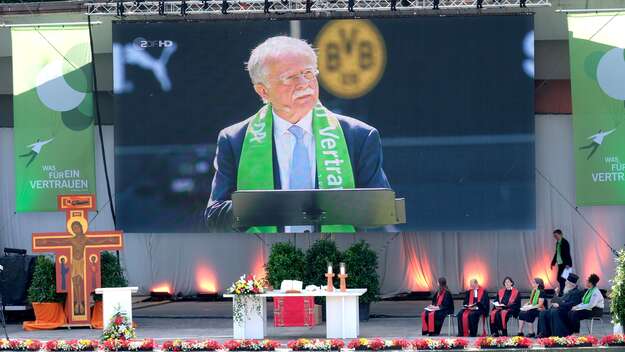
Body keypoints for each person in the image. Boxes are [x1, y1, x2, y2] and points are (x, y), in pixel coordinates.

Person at [205, 36, 390, 233]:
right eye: (290, 77)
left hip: (336, 259)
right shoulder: (235, 140)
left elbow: (381, 212)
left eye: (308, 73)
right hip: (262, 259)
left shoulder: (359, 136)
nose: (304, 84)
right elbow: (215, 218)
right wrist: (270, 206)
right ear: (263, 91)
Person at [537, 273, 583, 337]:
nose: (565, 284)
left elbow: (572, 303)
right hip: (559, 308)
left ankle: (557, 334)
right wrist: (556, 294)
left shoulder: (577, 292)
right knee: (543, 312)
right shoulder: (566, 291)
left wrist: (559, 305)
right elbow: (557, 300)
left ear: (570, 284)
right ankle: (543, 333)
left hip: (567, 311)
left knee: (554, 312)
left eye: (566, 283)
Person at [550, 229, 572, 297]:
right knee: (559, 279)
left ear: (561, 234)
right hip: (560, 264)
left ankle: (562, 293)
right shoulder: (557, 243)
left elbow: (567, 254)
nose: (555, 237)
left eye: (556, 235)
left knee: (563, 279)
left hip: (566, 264)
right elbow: (556, 253)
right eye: (554, 236)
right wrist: (552, 263)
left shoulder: (565, 242)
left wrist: (568, 264)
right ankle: (563, 292)